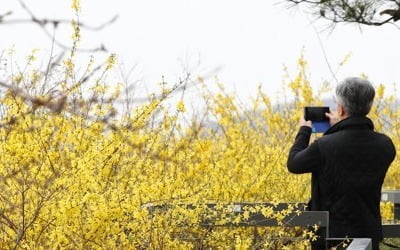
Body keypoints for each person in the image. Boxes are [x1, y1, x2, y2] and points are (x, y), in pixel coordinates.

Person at [287, 77, 396, 250]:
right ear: (368, 106)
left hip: (331, 237)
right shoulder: (385, 145)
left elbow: (294, 163)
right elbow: (351, 154)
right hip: (368, 234)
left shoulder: (324, 146)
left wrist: (304, 130)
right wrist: (341, 127)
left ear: (340, 109)